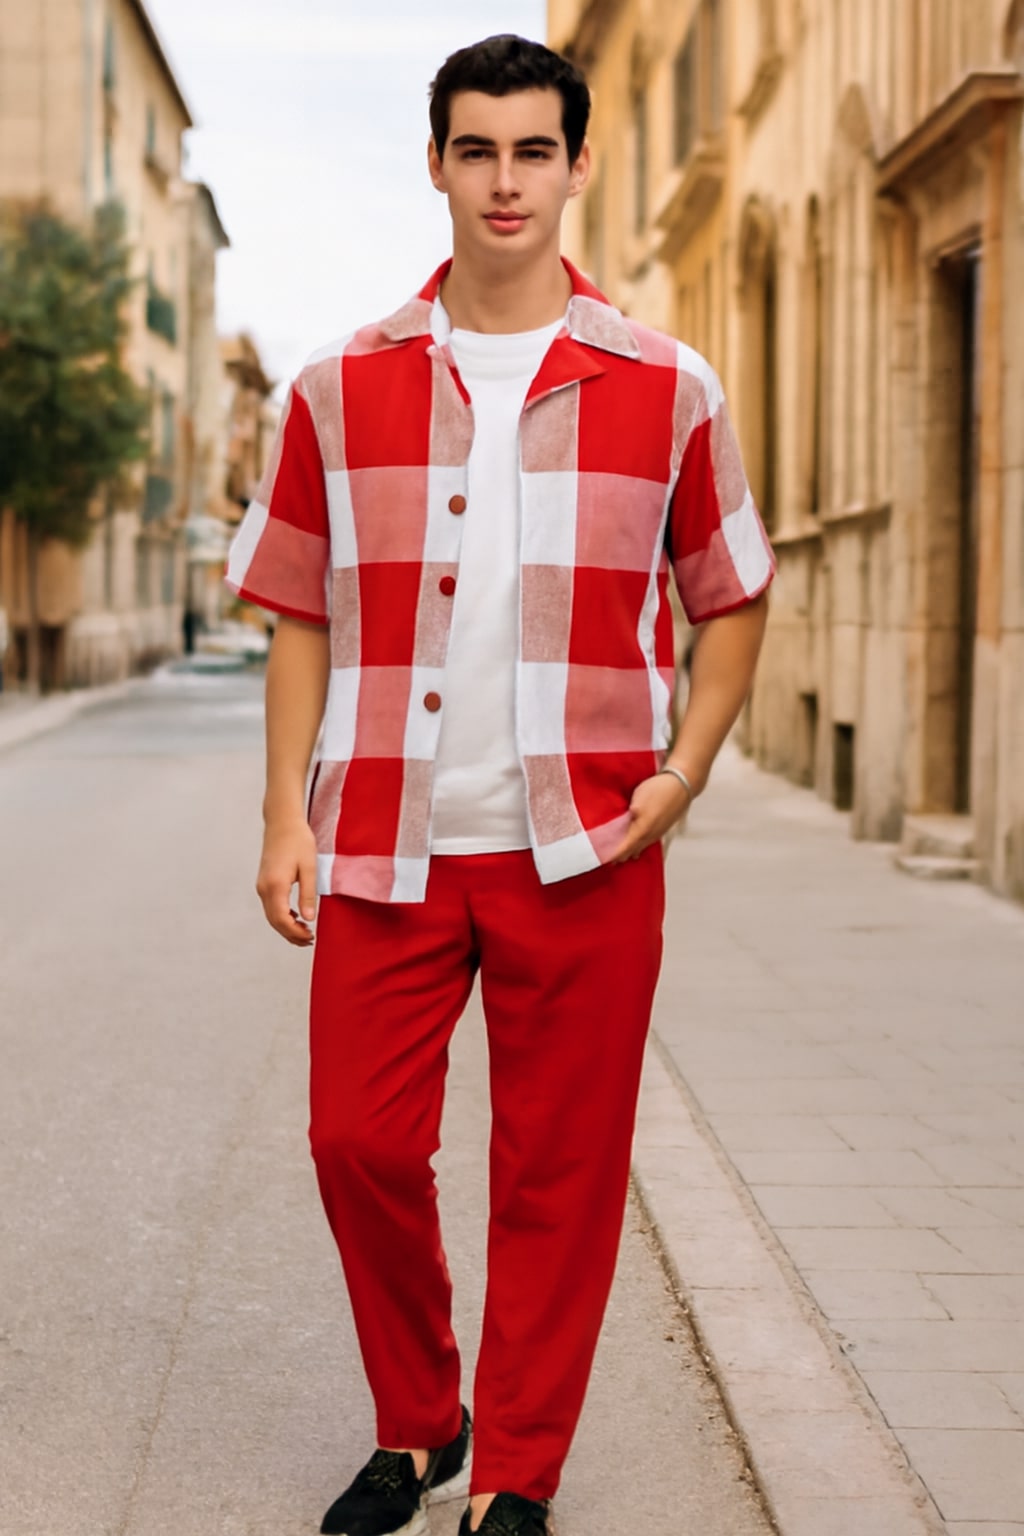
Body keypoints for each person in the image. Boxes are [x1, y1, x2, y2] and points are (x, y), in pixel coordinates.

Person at [226, 34, 774, 1536]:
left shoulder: (665, 382)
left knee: (561, 1173)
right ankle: (424, 1420)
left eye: (536, 150)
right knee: (358, 1142)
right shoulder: (341, 387)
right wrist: (286, 810)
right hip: (390, 844)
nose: (507, 179)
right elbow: (301, 608)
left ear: (578, 165)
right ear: (438, 165)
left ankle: (517, 1471)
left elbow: (731, 592)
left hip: (589, 845)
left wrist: (684, 771)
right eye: (479, 150)